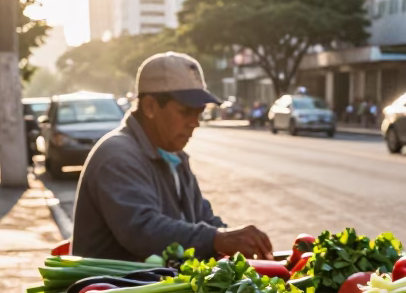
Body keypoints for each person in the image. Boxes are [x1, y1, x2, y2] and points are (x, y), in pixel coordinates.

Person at [72, 52, 272, 262]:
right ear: (150, 107)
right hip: (112, 289)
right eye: (185, 112)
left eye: (199, 113)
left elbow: (203, 219)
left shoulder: (175, 156)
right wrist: (216, 238)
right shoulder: (117, 155)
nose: (194, 123)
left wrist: (235, 240)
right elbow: (142, 230)